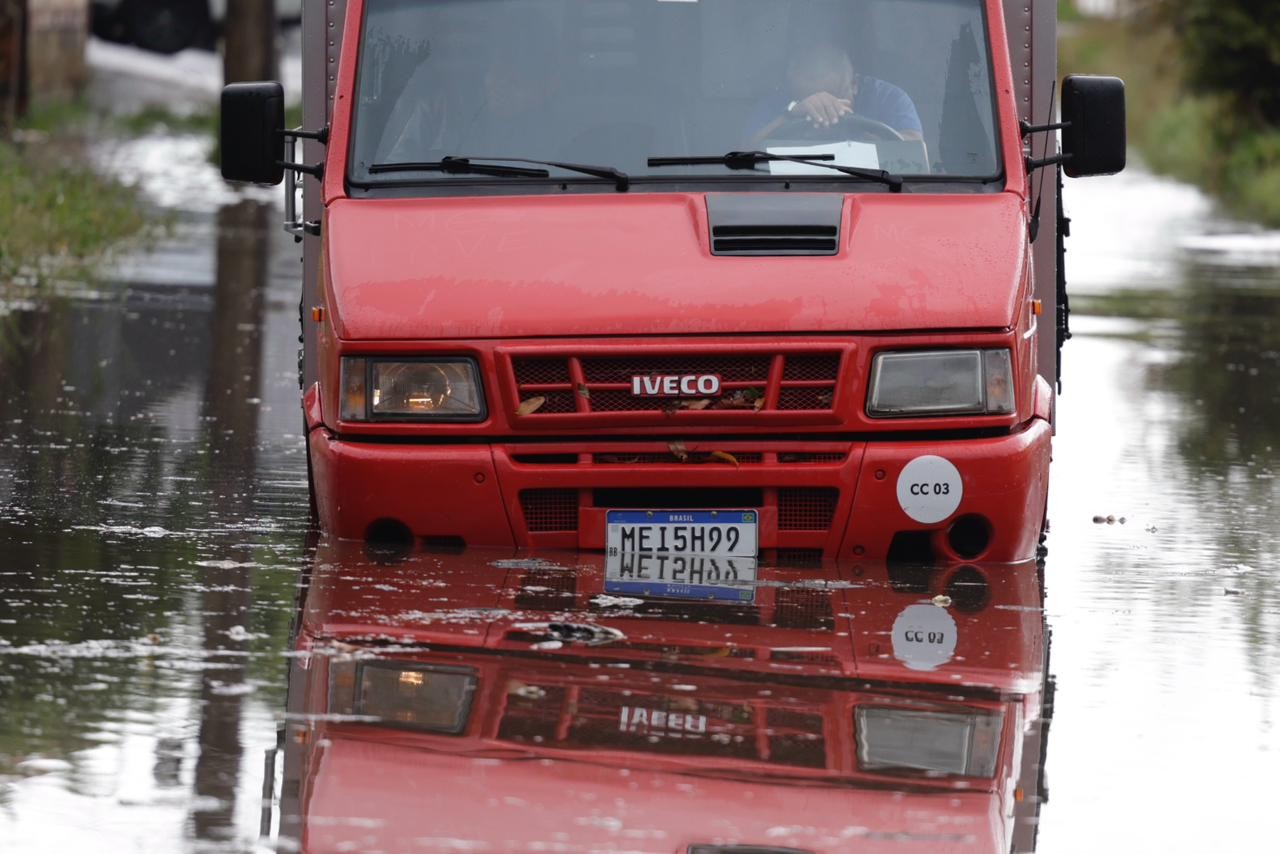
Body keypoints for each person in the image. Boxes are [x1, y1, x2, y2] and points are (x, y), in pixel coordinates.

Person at [746, 44, 923, 148]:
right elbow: (745, 154)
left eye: (834, 96)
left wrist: (864, 134)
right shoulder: (777, 101)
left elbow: (915, 148)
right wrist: (791, 114)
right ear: (791, 87)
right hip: (791, 188)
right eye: (811, 99)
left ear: (854, 85)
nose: (825, 105)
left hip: (877, 188)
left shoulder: (889, 98)